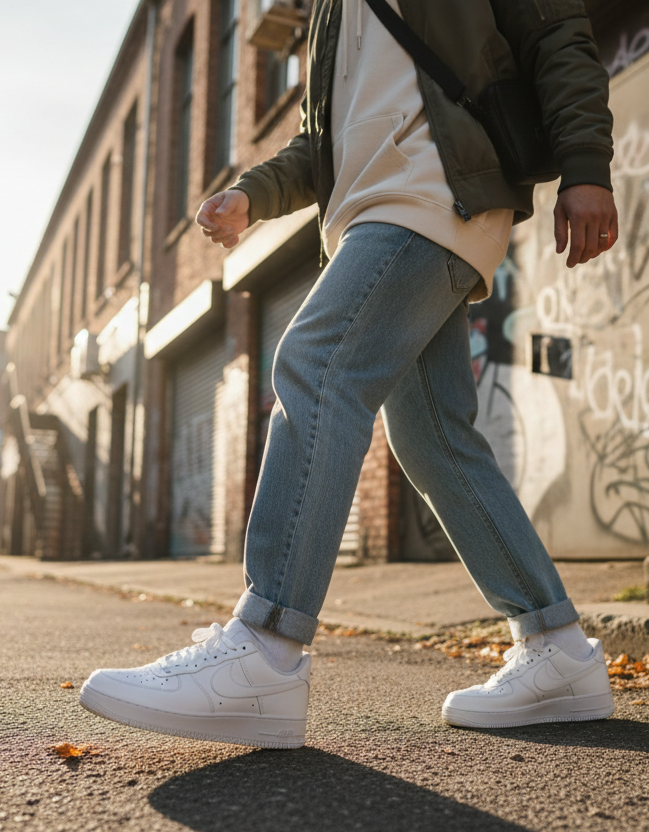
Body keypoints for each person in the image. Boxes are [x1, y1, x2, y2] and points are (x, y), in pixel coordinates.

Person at [81, 0, 619, 749]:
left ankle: (267, 645)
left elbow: (557, 32)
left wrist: (587, 168)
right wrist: (252, 195)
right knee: (433, 438)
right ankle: (557, 648)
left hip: (437, 193)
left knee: (316, 367)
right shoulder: (330, 13)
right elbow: (320, 146)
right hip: (369, 218)